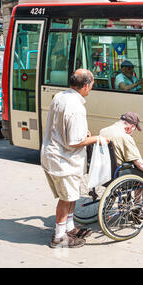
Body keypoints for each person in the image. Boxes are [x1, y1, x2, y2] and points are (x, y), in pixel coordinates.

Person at [41, 69, 109, 249]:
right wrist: (97, 138)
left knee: (71, 196)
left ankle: (69, 228)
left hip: (54, 155)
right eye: (92, 84)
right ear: (86, 86)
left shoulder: (60, 97)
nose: (92, 88)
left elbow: (64, 127)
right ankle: (59, 237)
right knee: (65, 199)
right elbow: (74, 142)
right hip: (63, 160)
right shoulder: (76, 107)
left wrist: (82, 133)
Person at [99, 112, 143, 183]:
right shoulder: (125, 137)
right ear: (131, 126)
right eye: (135, 129)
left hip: (102, 171)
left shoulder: (103, 131)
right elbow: (140, 164)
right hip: (116, 174)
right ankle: (141, 194)